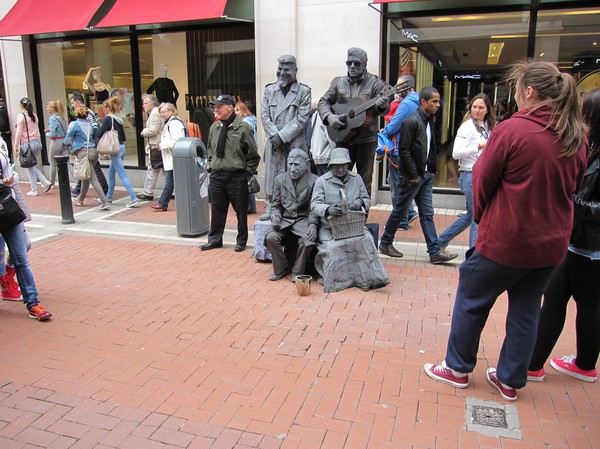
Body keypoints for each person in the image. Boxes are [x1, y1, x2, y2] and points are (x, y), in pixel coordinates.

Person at [423, 61, 588, 402]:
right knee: (526, 309)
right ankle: (510, 378)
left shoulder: (513, 131)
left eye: (516, 88)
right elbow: (574, 185)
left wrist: (485, 217)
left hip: (508, 239)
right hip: (550, 244)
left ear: (528, 92)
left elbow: (482, 181)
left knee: (472, 299)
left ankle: (457, 368)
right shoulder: (574, 135)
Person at [528, 86, 600, 384]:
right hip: (580, 242)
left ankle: (534, 366)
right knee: (566, 298)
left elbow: (592, 205)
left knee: (568, 299)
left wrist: (570, 200)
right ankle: (579, 364)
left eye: (585, 113)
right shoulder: (591, 147)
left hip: (588, 245)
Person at [378, 87, 458, 264]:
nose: (438, 105)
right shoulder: (411, 122)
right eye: (434, 102)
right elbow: (404, 150)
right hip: (413, 177)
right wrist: (414, 175)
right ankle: (385, 242)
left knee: (427, 213)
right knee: (400, 210)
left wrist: (431, 169)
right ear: (423, 102)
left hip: (426, 175)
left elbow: (430, 146)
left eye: (438, 101)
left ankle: (434, 251)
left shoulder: (430, 120)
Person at [310, 148, 389, 292]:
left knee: (367, 241)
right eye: (336, 166)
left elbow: (366, 199)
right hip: (330, 228)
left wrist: (358, 203)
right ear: (331, 166)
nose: (340, 169)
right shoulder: (322, 181)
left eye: (344, 165)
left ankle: (370, 279)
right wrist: (328, 209)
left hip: (353, 226)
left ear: (348, 165)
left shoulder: (356, 178)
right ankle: (339, 282)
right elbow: (314, 205)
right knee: (333, 249)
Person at [318, 47, 391, 196]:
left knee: (365, 181)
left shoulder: (375, 83)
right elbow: (323, 101)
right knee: (339, 178)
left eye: (356, 63)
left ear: (364, 64)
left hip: (366, 139)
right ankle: (341, 214)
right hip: (343, 138)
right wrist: (330, 117)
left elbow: (384, 109)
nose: (352, 67)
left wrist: (382, 105)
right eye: (349, 63)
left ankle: (361, 216)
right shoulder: (339, 83)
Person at [0, 138, 52, 321]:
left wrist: (9, 179)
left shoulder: (1, 153)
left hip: (7, 210)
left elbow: (11, 176)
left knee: (21, 258)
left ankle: (33, 303)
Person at [200, 95, 260, 252]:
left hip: (236, 177)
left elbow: (253, 155)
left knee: (240, 212)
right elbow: (210, 149)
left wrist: (246, 172)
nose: (216, 110)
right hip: (217, 176)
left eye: (219, 106)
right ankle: (214, 239)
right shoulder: (215, 127)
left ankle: (241, 241)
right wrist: (212, 166)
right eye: (215, 107)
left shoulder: (243, 128)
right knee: (217, 211)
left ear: (230, 107)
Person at [437, 93, 495, 252]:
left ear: (487, 109)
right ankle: (473, 254)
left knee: (472, 215)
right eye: (474, 107)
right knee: (477, 216)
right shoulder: (467, 127)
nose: (477, 110)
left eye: (481, 107)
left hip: (481, 175)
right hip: (470, 175)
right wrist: (478, 147)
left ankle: (440, 241)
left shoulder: (488, 126)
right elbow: (456, 153)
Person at [260, 55, 311, 221]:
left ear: (295, 71)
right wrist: (274, 135)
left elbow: (302, 119)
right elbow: (264, 114)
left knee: (293, 175)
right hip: (274, 143)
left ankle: (294, 207)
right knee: (272, 176)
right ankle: (271, 207)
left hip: (293, 144)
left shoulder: (304, 91)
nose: (282, 73)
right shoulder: (269, 91)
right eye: (280, 69)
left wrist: (282, 136)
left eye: (287, 70)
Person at [376, 75, 419, 254]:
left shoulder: (408, 104)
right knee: (403, 187)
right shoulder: (417, 102)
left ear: (408, 87)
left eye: (399, 86)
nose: (395, 90)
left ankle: (401, 221)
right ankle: (409, 214)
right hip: (408, 152)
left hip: (398, 150)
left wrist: (384, 132)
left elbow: (393, 126)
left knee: (397, 188)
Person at [265, 149, 318, 281]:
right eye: (290, 164)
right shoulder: (280, 179)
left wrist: (312, 225)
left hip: (303, 221)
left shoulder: (315, 181)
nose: (292, 168)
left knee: (307, 242)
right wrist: (275, 216)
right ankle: (282, 268)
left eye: (297, 165)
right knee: (271, 238)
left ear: (306, 164)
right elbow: (275, 205)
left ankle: (297, 271)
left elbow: (313, 208)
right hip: (284, 221)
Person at [63, 106, 110, 210]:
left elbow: (67, 138)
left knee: (92, 177)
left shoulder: (74, 124)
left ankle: (104, 201)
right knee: (86, 176)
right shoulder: (89, 125)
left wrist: (64, 145)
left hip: (83, 152)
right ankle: (80, 199)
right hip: (93, 151)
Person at [97, 97, 140, 208]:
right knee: (111, 172)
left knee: (122, 174)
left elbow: (99, 134)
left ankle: (133, 197)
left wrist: (96, 127)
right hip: (121, 147)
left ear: (107, 108)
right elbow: (124, 137)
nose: (103, 110)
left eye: (103, 108)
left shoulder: (107, 119)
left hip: (114, 149)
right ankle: (109, 197)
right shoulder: (119, 120)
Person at [70, 93, 108, 197]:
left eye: (73, 103)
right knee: (88, 167)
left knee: (94, 168)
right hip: (90, 145)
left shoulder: (87, 114)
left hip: (89, 146)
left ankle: (104, 190)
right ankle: (79, 189)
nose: (72, 105)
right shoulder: (89, 112)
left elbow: (90, 129)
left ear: (78, 102)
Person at [149, 102, 186, 211]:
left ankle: (163, 203)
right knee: (173, 181)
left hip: (173, 157)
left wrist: (162, 145)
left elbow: (176, 141)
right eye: (161, 112)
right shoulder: (171, 122)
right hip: (173, 157)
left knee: (170, 182)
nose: (162, 114)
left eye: (164, 112)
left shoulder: (173, 123)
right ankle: (164, 203)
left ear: (171, 111)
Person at [13, 97, 51, 196]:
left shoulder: (21, 116)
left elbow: (19, 133)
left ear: (21, 106)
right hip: (37, 142)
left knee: (29, 166)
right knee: (31, 166)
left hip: (28, 144)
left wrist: (15, 145)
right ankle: (35, 188)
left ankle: (43, 182)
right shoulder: (33, 115)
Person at [136, 94, 165, 201]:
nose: (144, 105)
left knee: (155, 169)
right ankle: (149, 192)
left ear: (152, 103)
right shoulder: (154, 113)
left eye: (146, 103)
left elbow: (153, 130)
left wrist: (143, 132)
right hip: (157, 146)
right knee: (159, 169)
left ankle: (149, 193)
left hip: (156, 146)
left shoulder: (155, 114)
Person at [235, 100, 258, 214]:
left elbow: (247, 140)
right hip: (250, 152)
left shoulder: (246, 122)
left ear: (244, 110)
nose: (236, 113)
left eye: (238, 110)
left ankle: (248, 206)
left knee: (245, 180)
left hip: (246, 153)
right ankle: (251, 206)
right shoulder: (251, 120)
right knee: (248, 180)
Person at [44, 100, 70, 189]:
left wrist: (47, 133)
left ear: (52, 108)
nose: (47, 109)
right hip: (64, 141)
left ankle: (52, 182)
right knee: (66, 163)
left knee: (53, 163)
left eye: (48, 107)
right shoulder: (62, 117)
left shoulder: (52, 118)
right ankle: (72, 179)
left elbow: (53, 134)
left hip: (56, 142)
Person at [0, 98, 12, 162]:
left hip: (4, 134)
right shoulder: (4, 110)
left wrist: (5, 131)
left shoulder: (1, 111)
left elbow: (2, 124)